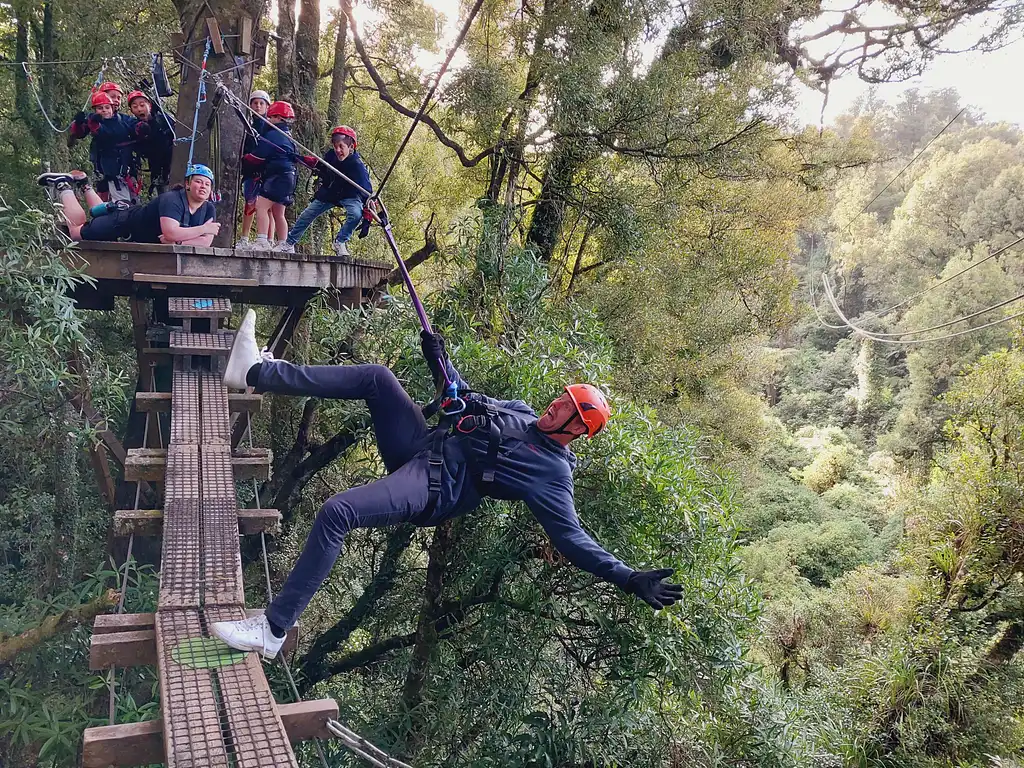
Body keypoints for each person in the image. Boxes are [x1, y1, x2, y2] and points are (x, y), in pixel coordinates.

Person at [210, 312, 684, 658]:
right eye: (562, 398)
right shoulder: (519, 409)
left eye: (568, 411)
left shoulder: (552, 474)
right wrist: (440, 361)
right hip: (421, 443)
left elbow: (572, 539)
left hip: (434, 486)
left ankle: (272, 631)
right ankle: (254, 372)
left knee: (338, 512)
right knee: (377, 377)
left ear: (577, 431)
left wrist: (626, 577)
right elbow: (460, 397)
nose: (556, 406)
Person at [36, 164, 219, 246]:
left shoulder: (209, 208)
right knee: (76, 232)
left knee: (98, 214)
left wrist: (179, 240)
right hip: (123, 222)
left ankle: (84, 184)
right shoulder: (172, 199)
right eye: (198, 182)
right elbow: (171, 232)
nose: (203, 186)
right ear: (187, 184)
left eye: (207, 184)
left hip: (129, 219)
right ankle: (63, 185)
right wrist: (203, 228)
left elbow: (205, 241)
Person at [277, 125, 372, 259]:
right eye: (335, 146)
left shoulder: (358, 166)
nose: (338, 150)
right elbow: (319, 164)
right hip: (331, 192)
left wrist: (368, 215)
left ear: (351, 147)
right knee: (307, 214)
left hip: (350, 195)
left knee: (356, 214)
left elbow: (367, 192)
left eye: (341, 147)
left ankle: (340, 241)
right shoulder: (331, 156)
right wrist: (299, 158)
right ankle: (289, 243)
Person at [242, 100, 297, 251]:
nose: (268, 119)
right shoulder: (288, 136)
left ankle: (262, 240)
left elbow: (259, 155)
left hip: (276, 177)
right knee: (279, 212)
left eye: (271, 117)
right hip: (289, 177)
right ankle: (284, 244)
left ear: (278, 118)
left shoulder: (273, 135)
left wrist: (247, 158)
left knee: (261, 206)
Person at [68, 91, 141, 203]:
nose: (104, 110)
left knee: (132, 202)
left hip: (126, 168)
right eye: (100, 108)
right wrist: (78, 124)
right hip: (107, 170)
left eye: (107, 107)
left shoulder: (123, 120)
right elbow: (79, 134)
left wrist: (144, 126)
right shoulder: (92, 120)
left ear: (112, 108)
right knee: (110, 202)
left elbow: (135, 127)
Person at [236, 90, 274, 249]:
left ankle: (269, 240)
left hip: (267, 173)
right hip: (252, 172)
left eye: (261, 103)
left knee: (269, 207)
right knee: (249, 205)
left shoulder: (272, 127)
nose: (258, 106)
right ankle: (244, 239)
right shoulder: (247, 125)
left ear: (267, 107)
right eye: (255, 103)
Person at [127, 90, 174, 196]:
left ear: (149, 105)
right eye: (135, 107)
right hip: (157, 169)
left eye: (142, 105)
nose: (139, 109)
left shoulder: (164, 119)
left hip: (173, 164)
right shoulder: (135, 126)